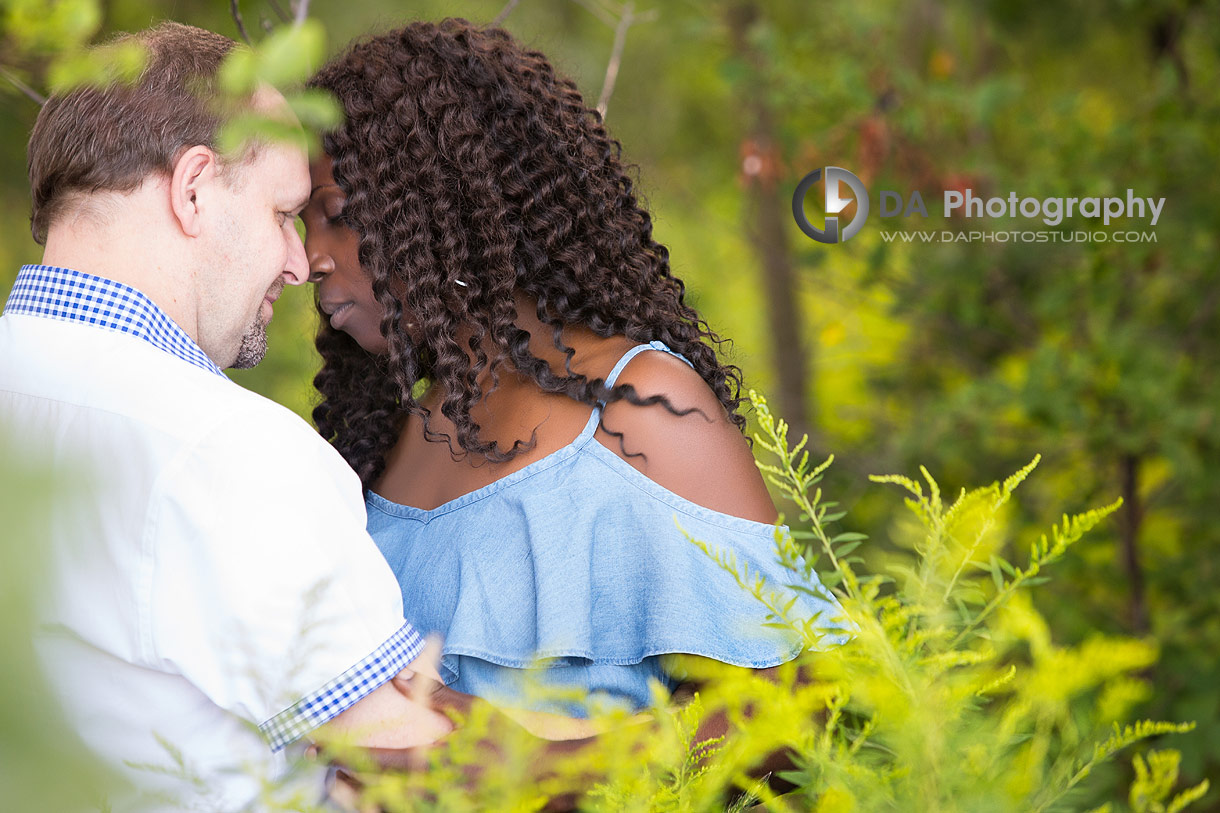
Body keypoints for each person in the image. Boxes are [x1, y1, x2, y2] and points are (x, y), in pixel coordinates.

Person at [303, 19, 837, 718]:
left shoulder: (639, 409)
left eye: (336, 215)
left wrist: (546, 769)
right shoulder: (391, 436)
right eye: (298, 221)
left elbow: (789, 707)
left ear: (446, 206)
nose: (310, 256)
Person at [0, 22, 459, 812]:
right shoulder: (228, 450)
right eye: (285, 212)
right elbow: (413, 758)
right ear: (194, 189)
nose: (295, 261)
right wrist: (691, 743)